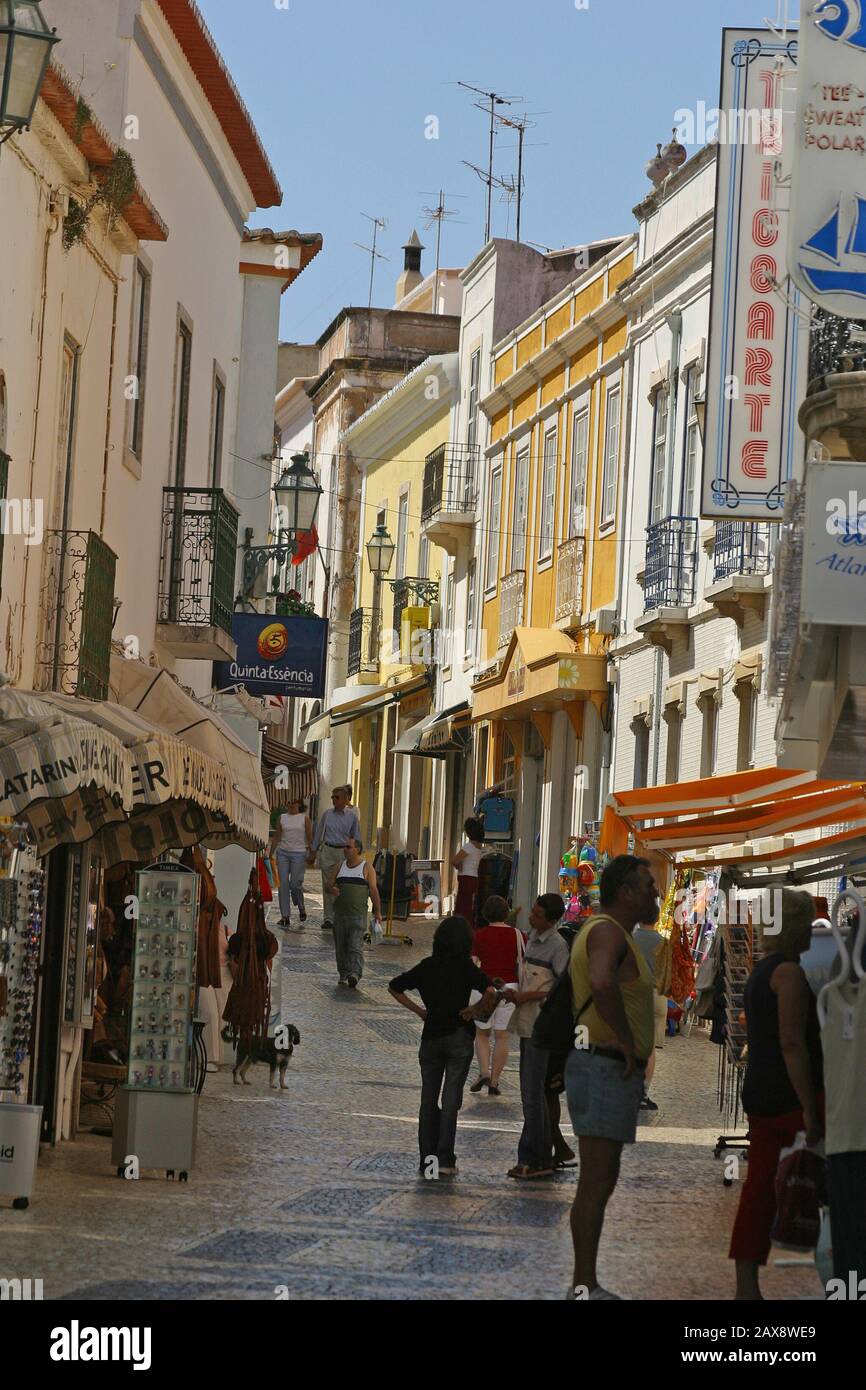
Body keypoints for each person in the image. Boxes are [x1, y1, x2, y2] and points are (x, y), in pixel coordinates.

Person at [565, 855, 658, 1300]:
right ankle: (584, 1284)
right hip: (602, 1065)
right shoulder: (607, 932)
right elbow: (601, 982)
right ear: (626, 892)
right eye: (647, 885)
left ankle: (586, 1281)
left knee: (600, 1179)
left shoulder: (613, 932)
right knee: (596, 1180)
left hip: (602, 1067)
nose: (655, 893)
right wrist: (624, 1038)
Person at [729, 889, 824, 1301]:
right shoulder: (789, 973)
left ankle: (746, 1286)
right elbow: (792, 1042)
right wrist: (809, 1105)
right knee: (814, 1186)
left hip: (762, 1090)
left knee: (760, 1191)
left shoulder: (761, 968)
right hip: (787, 1097)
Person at [389, 916, 498, 1176]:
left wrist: (420, 1012)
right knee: (450, 1101)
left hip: (431, 1038)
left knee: (428, 1101)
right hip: (459, 1037)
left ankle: (427, 1160)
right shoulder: (465, 967)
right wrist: (475, 1010)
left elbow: (394, 987)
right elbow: (492, 992)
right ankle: (446, 1159)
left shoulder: (428, 966)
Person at [504, 893, 570, 1180]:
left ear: (551, 920)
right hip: (527, 1023)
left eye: (537, 914)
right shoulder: (530, 937)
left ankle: (533, 1157)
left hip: (543, 1028)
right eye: (532, 911)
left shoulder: (557, 947)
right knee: (532, 1094)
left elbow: (562, 989)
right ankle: (543, 1153)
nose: (531, 916)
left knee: (532, 1094)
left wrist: (528, 995)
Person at [469, 895, 525, 1096]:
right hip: (509, 989)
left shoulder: (479, 935)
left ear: (485, 914)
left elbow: (473, 963)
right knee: (502, 1036)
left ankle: (484, 1071)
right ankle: (495, 1081)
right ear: (506, 913)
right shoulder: (518, 935)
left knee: (482, 1034)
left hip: (486, 988)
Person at [327, 837, 382, 988]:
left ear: (357, 849)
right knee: (341, 946)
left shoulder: (366, 867)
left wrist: (377, 912)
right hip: (339, 914)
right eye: (345, 847)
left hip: (358, 915)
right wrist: (332, 889)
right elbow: (328, 884)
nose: (345, 849)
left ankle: (355, 973)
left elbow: (373, 891)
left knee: (355, 945)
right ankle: (343, 974)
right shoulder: (339, 866)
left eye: (348, 847)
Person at [310, 785, 361, 930]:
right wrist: (313, 851)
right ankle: (328, 918)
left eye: (337, 797)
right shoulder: (327, 814)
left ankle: (340, 915)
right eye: (332, 797)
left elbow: (356, 836)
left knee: (342, 885)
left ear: (345, 799)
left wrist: (356, 853)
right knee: (328, 884)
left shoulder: (352, 817)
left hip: (343, 853)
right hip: (328, 850)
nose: (333, 800)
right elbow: (319, 832)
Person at [632, 918, 665, 1112]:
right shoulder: (663, 943)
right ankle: (643, 1093)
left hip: (635, 994)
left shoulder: (630, 940)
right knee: (650, 1048)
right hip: (657, 996)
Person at [270, 798, 313, 928]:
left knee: (295, 884)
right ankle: (285, 916)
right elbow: (277, 836)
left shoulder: (304, 818)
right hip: (283, 853)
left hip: (299, 853)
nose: (291, 804)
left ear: (299, 804)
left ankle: (301, 906)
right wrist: (271, 852)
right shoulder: (282, 818)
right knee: (283, 884)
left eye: (294, 802)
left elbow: (310, 837)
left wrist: (312, 853)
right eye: (289, 801)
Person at [453, 817, 484, 924]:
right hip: (474, 877)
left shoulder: (469, 846)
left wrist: (459, 865)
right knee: (469, 905)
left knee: (462, 905)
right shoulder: (479, 847)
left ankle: (460, 925)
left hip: (465, 877)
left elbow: (455, 860)